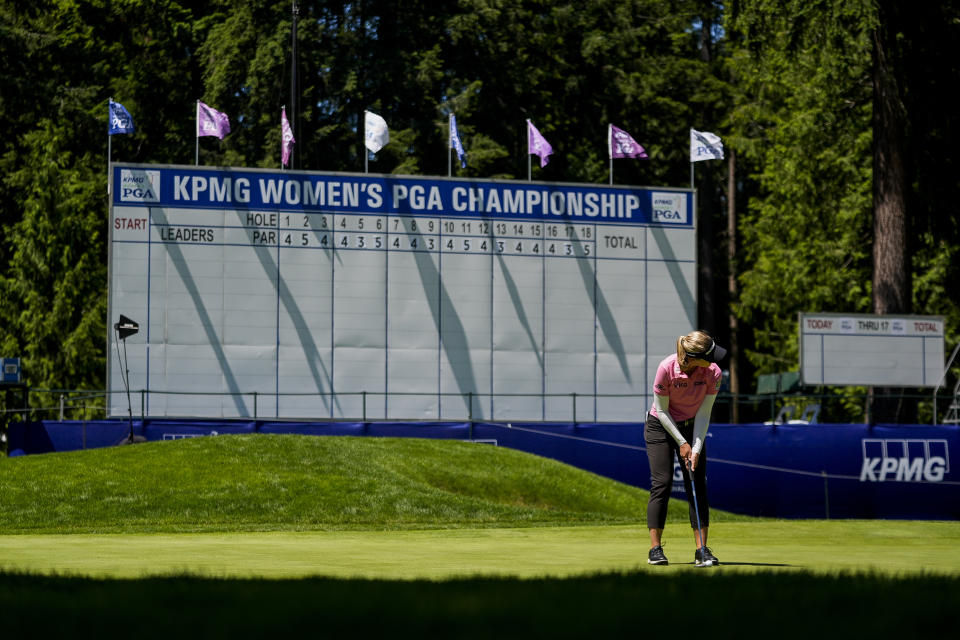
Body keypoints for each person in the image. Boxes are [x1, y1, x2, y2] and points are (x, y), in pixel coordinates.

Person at [645, 330, 726, 567]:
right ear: (692, 356)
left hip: (692, 425)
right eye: (709, 355)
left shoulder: (713, 372)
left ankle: (702, 550)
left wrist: (696, 447)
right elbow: (661, 411)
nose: (715, 359)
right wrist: (681, 442)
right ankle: (655, 549)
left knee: (697, 482)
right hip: (660, 425)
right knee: (662, 482)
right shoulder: (666, 368)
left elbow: (704, 413)